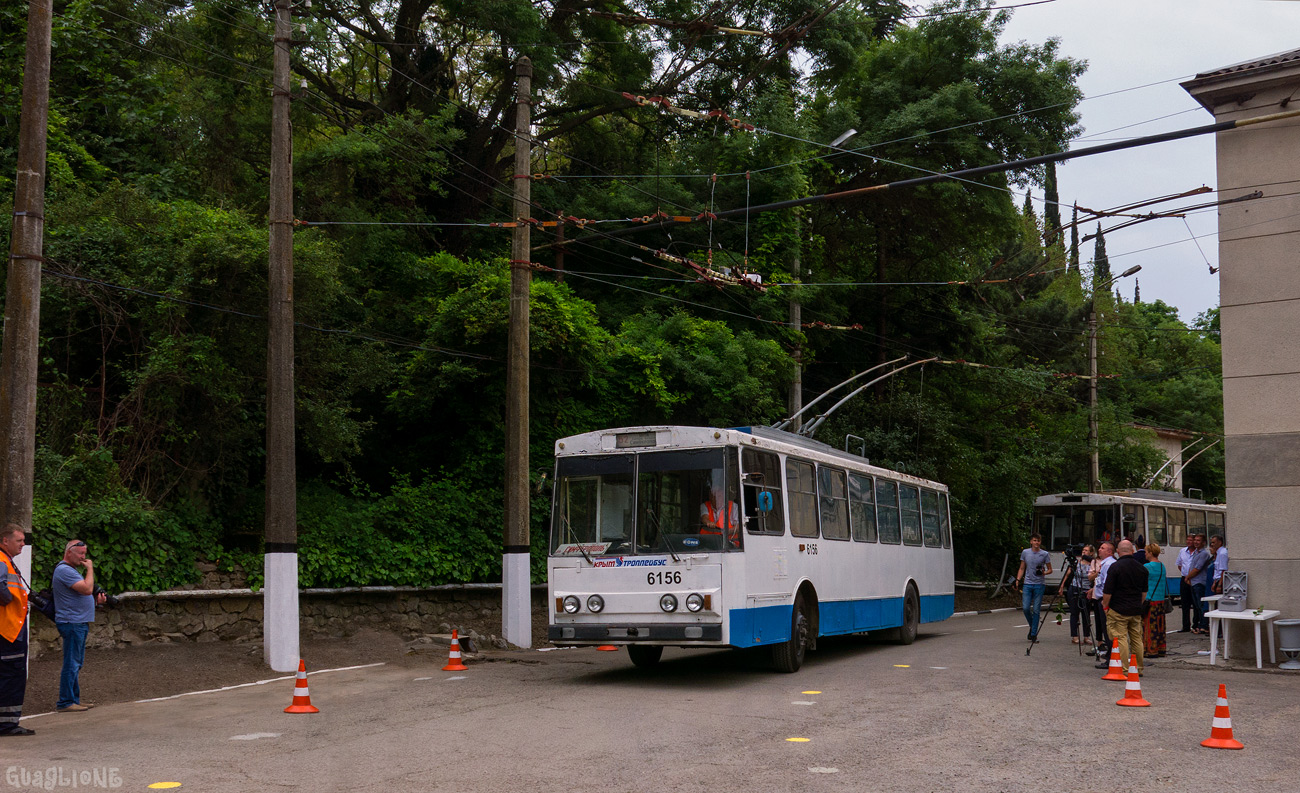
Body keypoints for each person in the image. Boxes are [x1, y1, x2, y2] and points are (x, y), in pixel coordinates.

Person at [52, 539, 106, 713]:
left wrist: (95, 601)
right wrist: (90, 569)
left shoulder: (71, 570)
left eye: (85, 553)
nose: (84, 557)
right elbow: (86, 589)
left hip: (77, 621)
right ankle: (66, 701)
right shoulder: (64, 570)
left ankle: (73, 699)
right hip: (72, 622)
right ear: (69, 552)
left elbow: (82, 593)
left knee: (76, 662)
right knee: (72, 663)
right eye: (81, 553)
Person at [0, 524, 33, 736]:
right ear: (5, 541)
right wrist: (9, 599)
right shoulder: (2, 561)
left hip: (9, 630)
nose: (23, 544)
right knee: (12, 677)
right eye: (19, 540)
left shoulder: (7, 562)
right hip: (9, 632)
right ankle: (7, 725)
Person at [1103, 539, 1149, 674]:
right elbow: (1144, 592)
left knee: (1120, 638)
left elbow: (1108, 591)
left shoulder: (1115, 567)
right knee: (1136, 639)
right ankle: (1138, 668)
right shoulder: (1142, 568)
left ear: (1117, 551)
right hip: (1135, 609)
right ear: (1133, 551)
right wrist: (1138, 604)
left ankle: (1123, 668)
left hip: (1118, 609)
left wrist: (1106, 606)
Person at [1014, 534, 1052, 641]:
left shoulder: (1044, 554)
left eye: (1038, 541)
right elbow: (1022, 568)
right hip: (1027, 583)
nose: (1036, 543)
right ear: (1031, 542)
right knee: (1026, 608)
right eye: (1035, 540)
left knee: (1036, 609)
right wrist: (1018, 579)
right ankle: (1033, 626)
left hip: (1039, 584)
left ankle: (1034, 634)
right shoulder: (1025, 552)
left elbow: (1050, 569)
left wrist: (1044, 572)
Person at [1057, 544, 1094, 645]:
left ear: (1091, 553)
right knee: (1074, 613)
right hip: (1074, 588)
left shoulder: (1093, 564)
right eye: (1083, 550)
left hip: (1086, 590)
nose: (1084, 552)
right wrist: (1062, 586)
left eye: (1086, 550)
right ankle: (1075, 636)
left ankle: (1086, 636)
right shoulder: (1077, 562)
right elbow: (1068, 574)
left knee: (1085, 613)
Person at [1179, 534, 1211, 634]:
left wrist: (1188, 577)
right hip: (1192, 581)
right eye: (1195, 540)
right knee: (1195, 605)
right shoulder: (1196, 553)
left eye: (1198, 540)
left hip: (1199, 582)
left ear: (1203, 542)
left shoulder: (1203, 554)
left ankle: (1203, 626)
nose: (1195, 542)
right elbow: (1186, 566)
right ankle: (1195, 626)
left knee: (1200, 605)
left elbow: (1197, 568)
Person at [1090, 541, 1116, 666]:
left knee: (1107, 629)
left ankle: (1111, 656)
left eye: (1102, 548)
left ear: (1109, 552)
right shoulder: (1105, 564)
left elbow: (1107, 585)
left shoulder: (1108, 565)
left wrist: (1105, 603)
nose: (1099, 550)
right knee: (1105, 628)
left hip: (1105, 600)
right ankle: (1110, 653)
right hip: (1101, 598)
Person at [1142, 543, 1169, 658]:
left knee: (1149, 626)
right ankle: (1161, 648)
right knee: (1160, 625)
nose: (1145, 554)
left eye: (1146, 551)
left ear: (1150, 553)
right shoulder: (1162, 566)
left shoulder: (1147, 567)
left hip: (1150, 599)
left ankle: (1150, 649)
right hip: (1160, 600)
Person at [699, 483, 740, 548]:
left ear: (723, 496)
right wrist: (708, 522)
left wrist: (727, 531)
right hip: (707, 544)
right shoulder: (705, 506)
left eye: (718, 495)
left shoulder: (733, 507)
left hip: (729, 544)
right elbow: (704, 517)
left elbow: (738, 526)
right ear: (710, 496)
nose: (715, 498)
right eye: (713, 495)